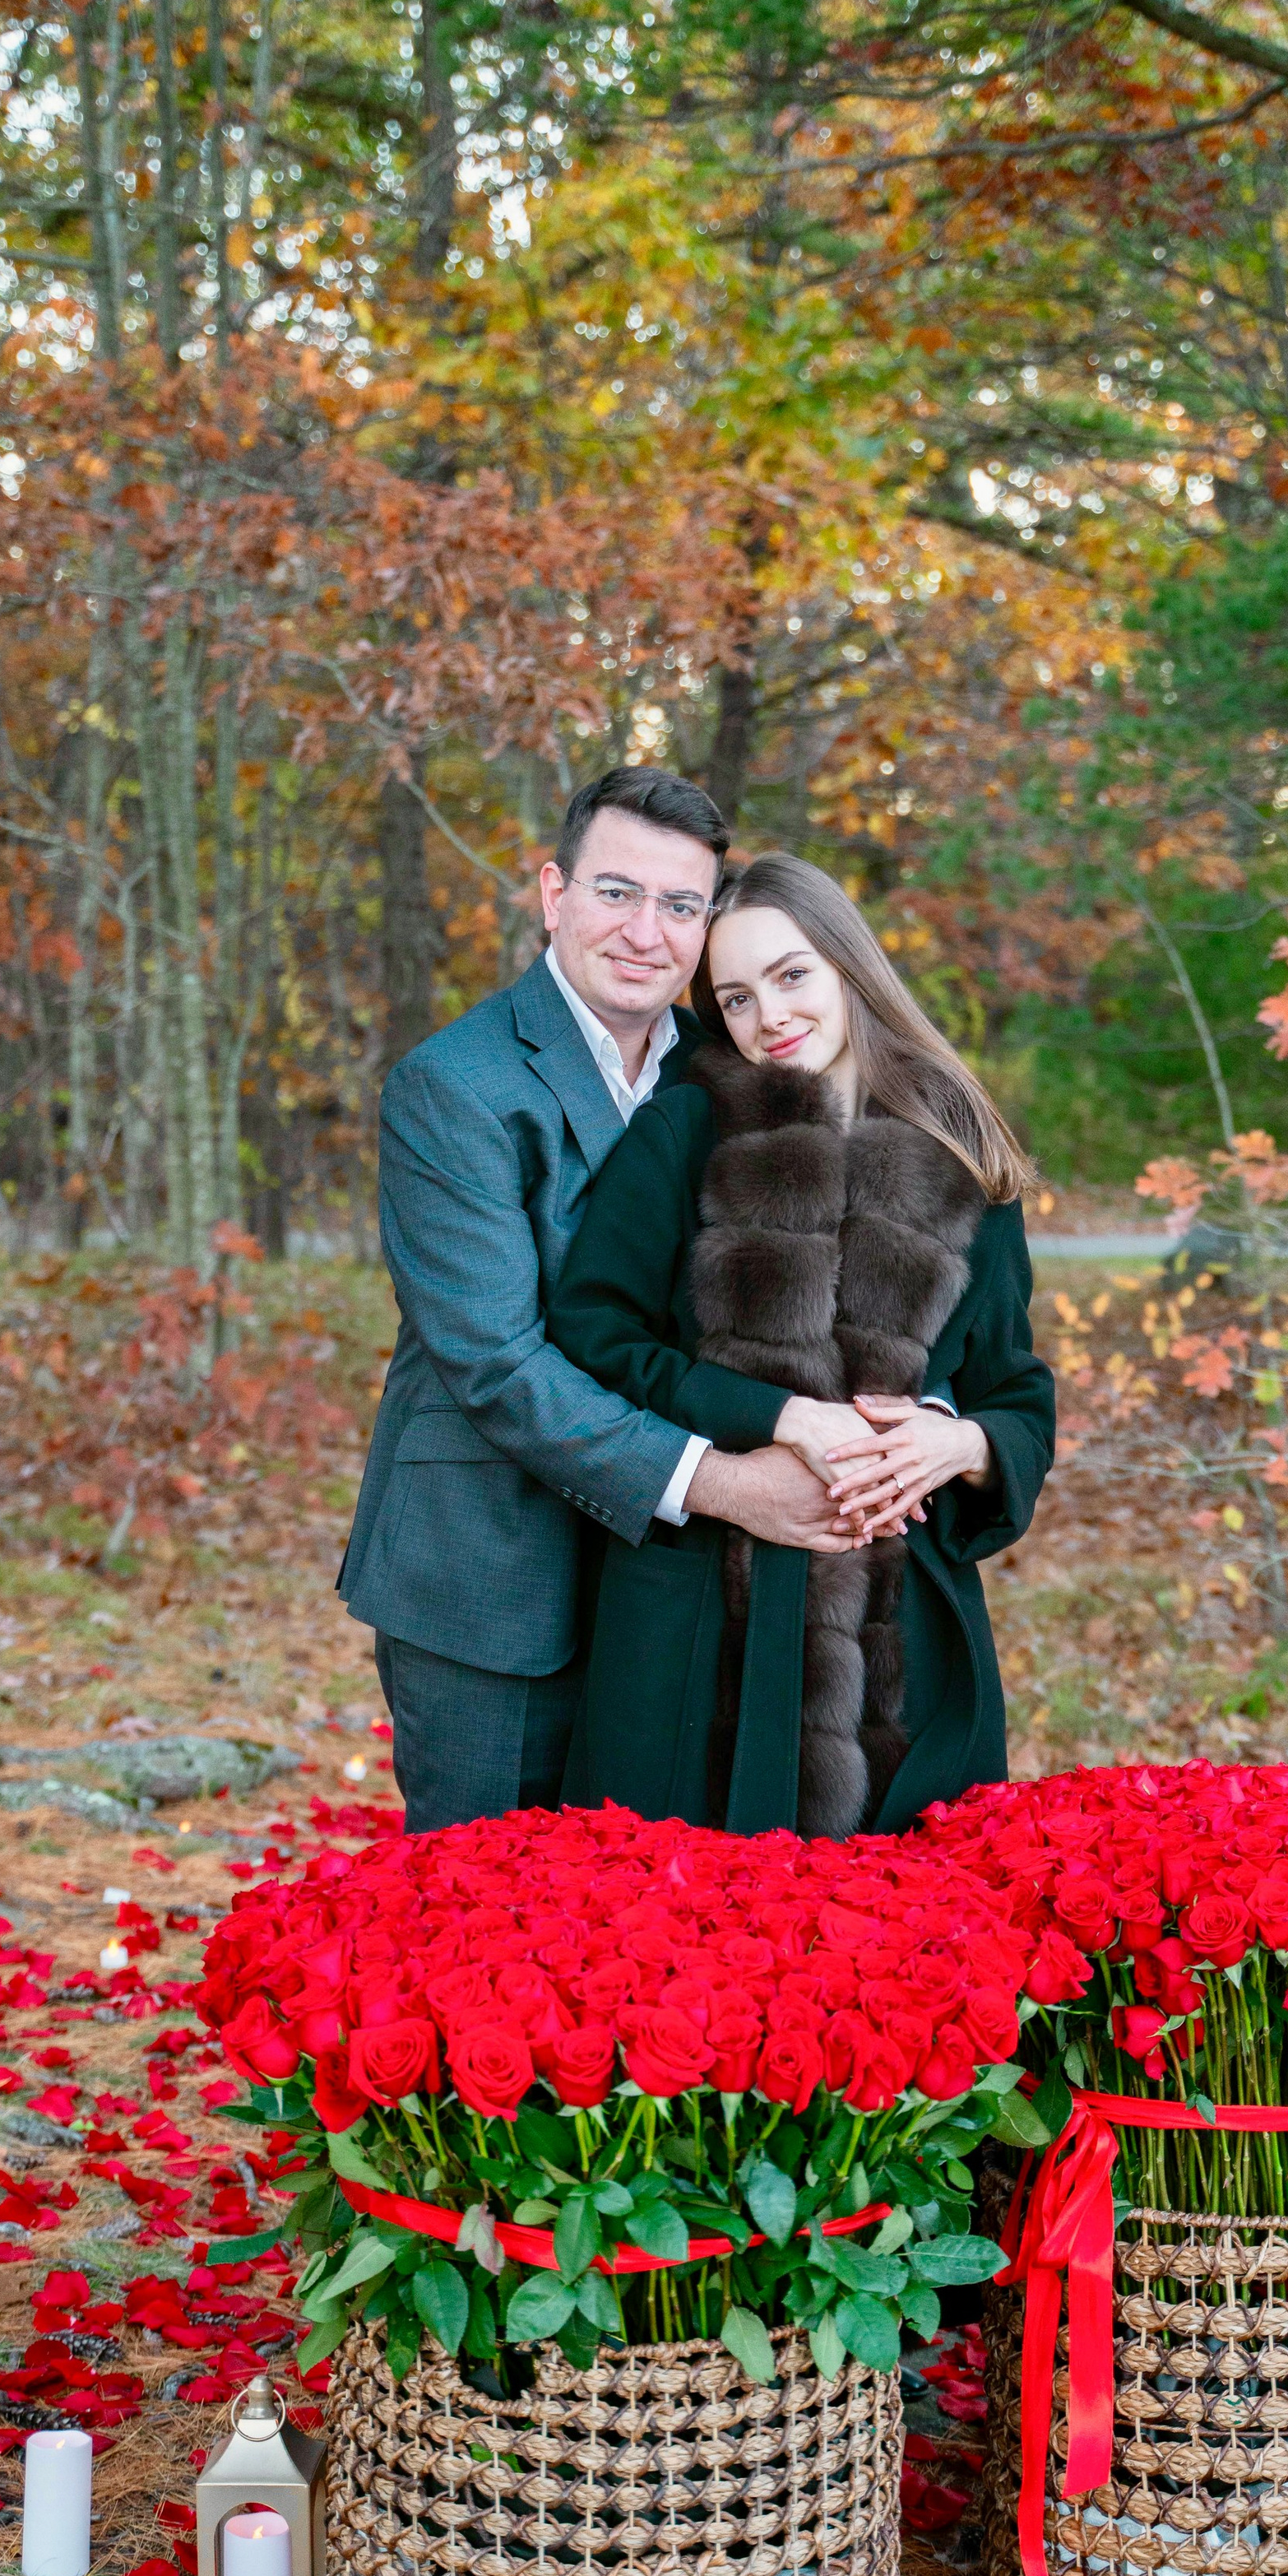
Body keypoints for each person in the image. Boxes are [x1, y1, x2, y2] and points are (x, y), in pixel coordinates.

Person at [338, 771, 863, 1833]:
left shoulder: (723, 1071)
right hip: (491, 1577)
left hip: (668, 1593)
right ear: (553, 893)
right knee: (487, 1924)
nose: (646, 932)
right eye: (616, 892)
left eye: (681, 906)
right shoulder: (456, 1087)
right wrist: (727, 1482)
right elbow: (500, 1363)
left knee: (640, 1935)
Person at [548, 847, 1057, 1838]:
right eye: (734, 998)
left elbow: (1015, 1388)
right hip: (702, 1619)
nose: (767, 1018)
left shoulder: (962, 1150)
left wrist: (959, 1441)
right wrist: (774, 1416)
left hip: (901, 1627)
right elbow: (592, 1330)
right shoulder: (688, 1129)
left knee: (899, 1946)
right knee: (684, 1947)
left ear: (847, 967)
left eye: (790, 977)